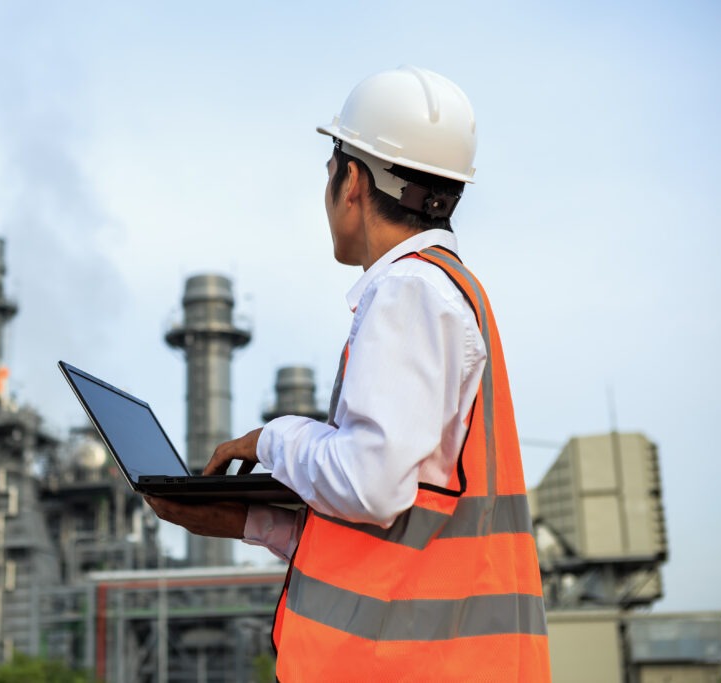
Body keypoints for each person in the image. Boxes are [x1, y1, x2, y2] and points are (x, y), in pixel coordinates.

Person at [146, 66, 550, 681]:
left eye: (330, 170)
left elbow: (368, 486)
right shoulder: (446, 294)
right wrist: (248, 522)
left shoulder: (410, 291)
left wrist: (272, 437)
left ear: (352, 178)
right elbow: (395, 533)